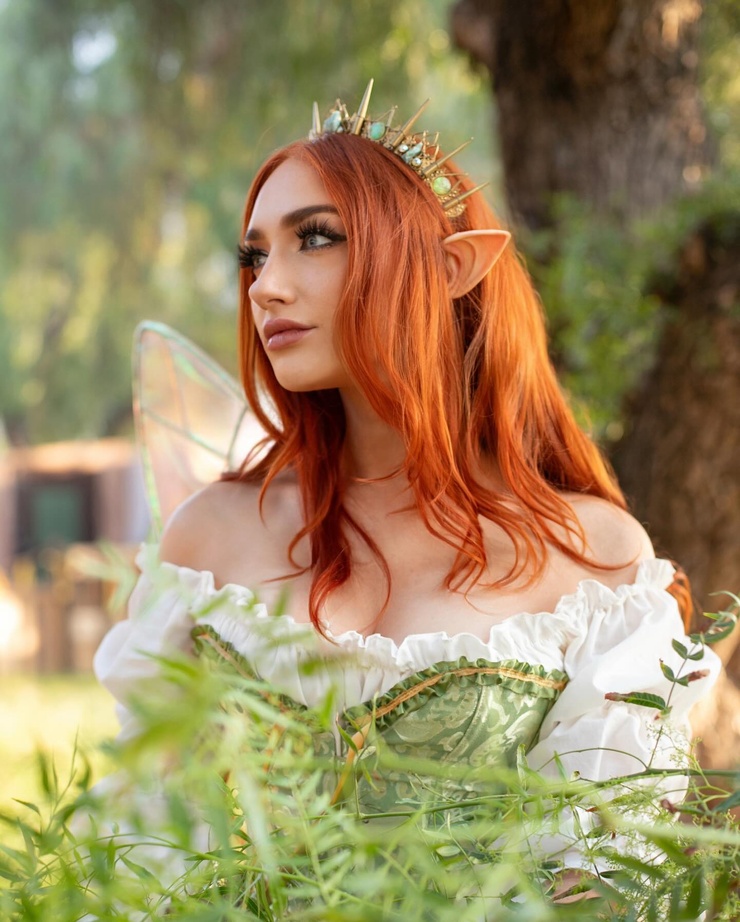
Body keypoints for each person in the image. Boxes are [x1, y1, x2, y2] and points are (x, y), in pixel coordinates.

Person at [95, 80, 721, 909]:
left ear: (452, 266)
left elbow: (605, 875)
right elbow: (147, 851)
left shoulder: (594, 561)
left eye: (315, 238)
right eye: (254, 255)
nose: (265, 286)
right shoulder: (208, 540)